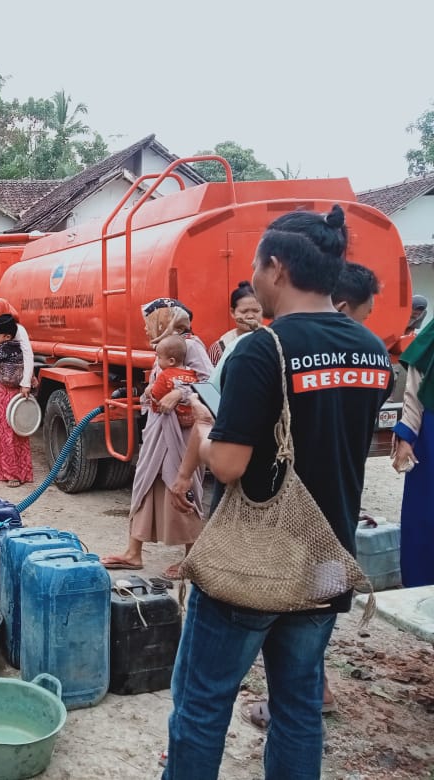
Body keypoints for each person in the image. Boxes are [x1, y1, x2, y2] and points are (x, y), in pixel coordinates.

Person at [163, 205, 390, 780]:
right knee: (299, 705)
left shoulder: (263, 350)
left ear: (277, 267)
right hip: (328, 557)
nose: (255, 278)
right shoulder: (370, 350)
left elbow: (233, 464)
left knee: (203, 701)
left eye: (257, 266)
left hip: (255, 561)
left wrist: (204, 432)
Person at [101, 299, 210, 578]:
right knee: (145, 483)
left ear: (164, 319)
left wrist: (180, 394)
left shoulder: (191, 345)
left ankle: (192, 558)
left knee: (181, 487)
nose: (146, 326)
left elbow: (207, 384)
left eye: (150, 320)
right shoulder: (164, 345)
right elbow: (160, 379)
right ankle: (133, 553)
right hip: (158, 429)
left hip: (181, 433)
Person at [393, 308, 434, 587]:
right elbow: (416, 384)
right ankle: (421, 586)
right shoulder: (432, 333)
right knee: (425, 514)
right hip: (432, 433)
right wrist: (406, 435)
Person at [0, 314, 33, 487]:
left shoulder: (21, 335)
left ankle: (13, 474)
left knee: (11, 431)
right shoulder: (1, 341)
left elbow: (29, 357)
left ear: (7, 335)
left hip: (13, 392)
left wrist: (26, 384)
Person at [0, 298, 34, 398]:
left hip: (14, 385)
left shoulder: (19, 330)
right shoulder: (0, 331)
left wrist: (26, 383)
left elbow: (28, 355)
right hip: (1, 384)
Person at [208, 281, 263, 365]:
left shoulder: (275, 342)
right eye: (244, 311)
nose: (250, 316)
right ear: (232, 312)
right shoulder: (219, 348)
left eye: (256, 311)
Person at [150, 335, 199, 428]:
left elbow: (155, 397)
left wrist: (150, 392)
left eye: (159, 358)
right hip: (191, 421)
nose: (158, 361)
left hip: (172, 423)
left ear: (171, 361)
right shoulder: (192, 373)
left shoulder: (164, 375)